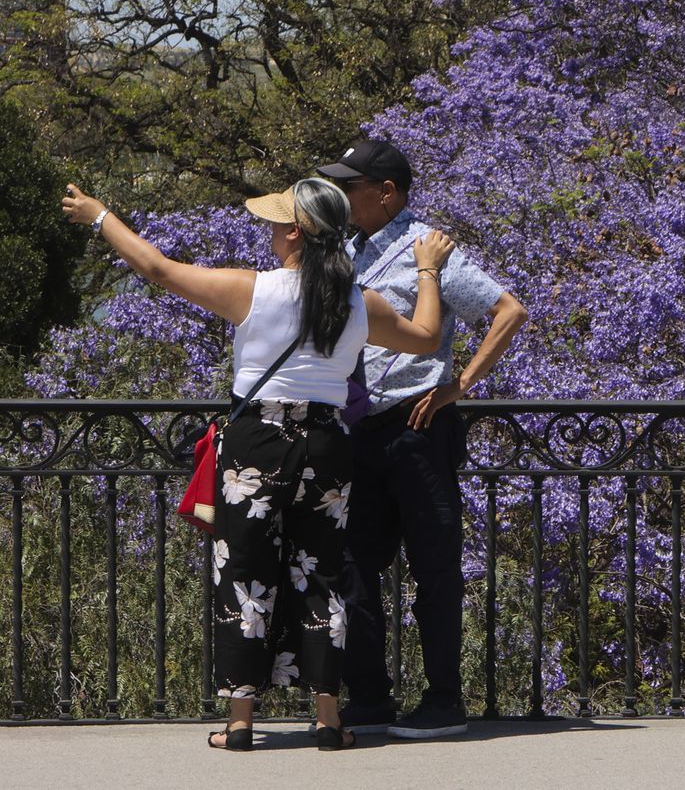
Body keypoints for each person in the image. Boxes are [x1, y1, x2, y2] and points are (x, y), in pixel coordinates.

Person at [61, 179, 455, 751]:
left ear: (295, 232)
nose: (268, 232)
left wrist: (100, 216)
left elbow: (158, 269)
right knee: (322, 573)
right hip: (326, 439)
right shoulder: (357, 301)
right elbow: (424, 338)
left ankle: (241, 722)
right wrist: (427, 269)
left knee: (243, 570)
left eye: (275, 224)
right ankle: (329, 720)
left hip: (257, 442)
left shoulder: (253, 291)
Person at [316, 140, 528, 739]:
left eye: (351, 186)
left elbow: (508, 311)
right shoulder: (342, 251)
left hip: (418, 425)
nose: (342, 195)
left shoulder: (428, 248)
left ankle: (443, 702)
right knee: (352, 566)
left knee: (435, 569)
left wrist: (458, 385)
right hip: (360, 429)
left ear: (386, 194)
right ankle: (371, 699)